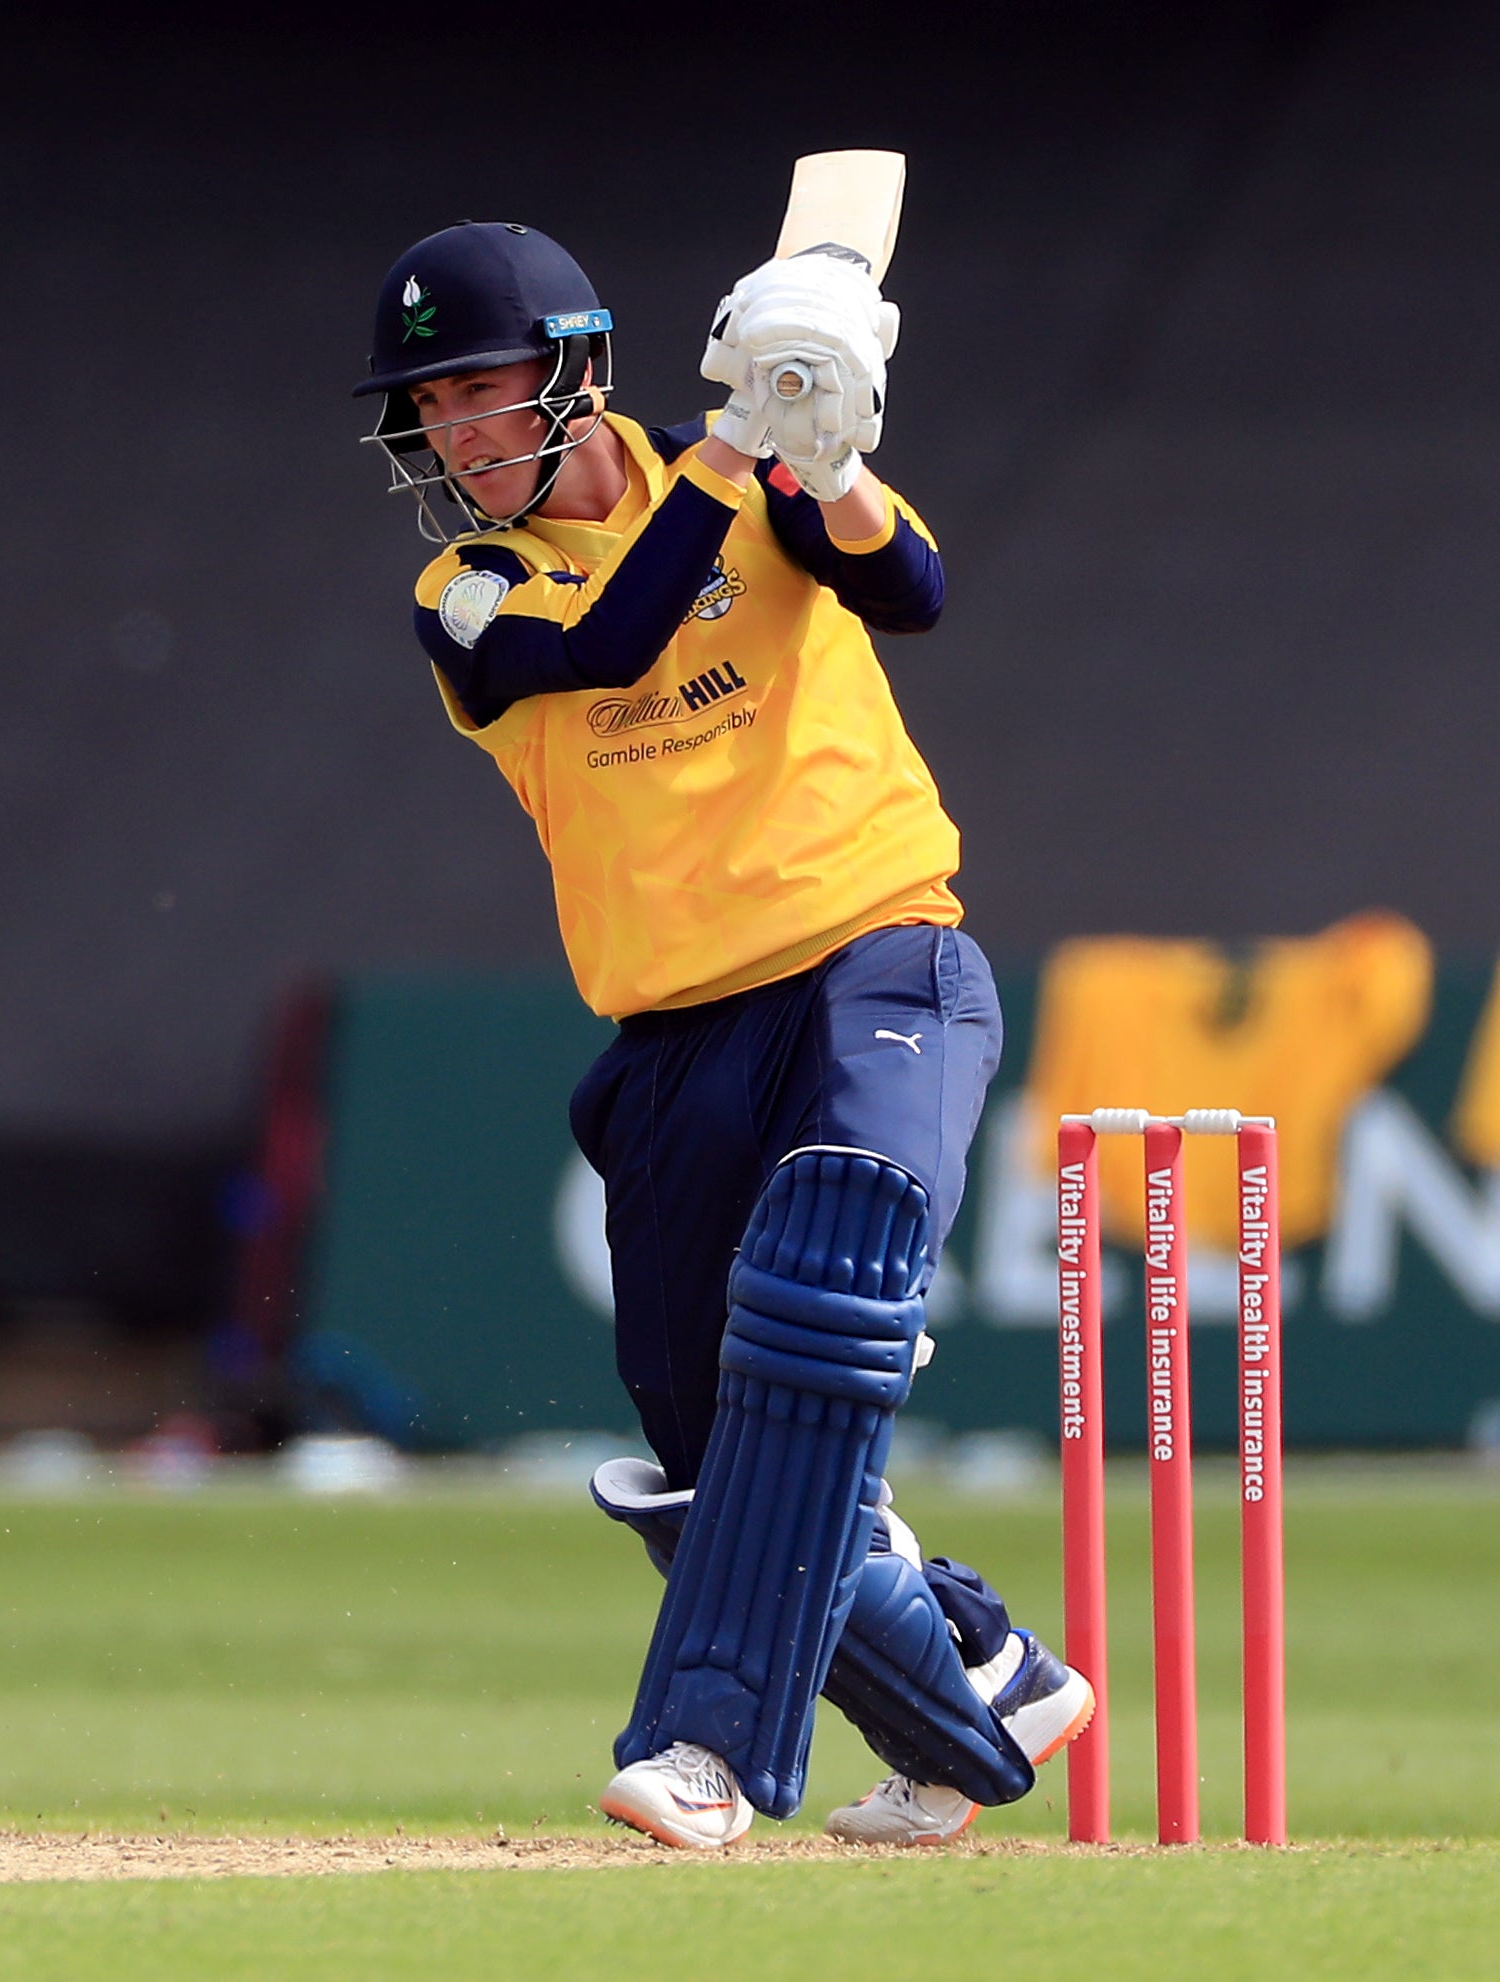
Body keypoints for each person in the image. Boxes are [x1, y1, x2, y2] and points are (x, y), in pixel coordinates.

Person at [353, 219, 1093, 1849]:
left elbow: (911, 585)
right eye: (435, 412)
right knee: (710, 1457)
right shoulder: (465, 590)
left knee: (821, 1285)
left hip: (872, 957)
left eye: (483, 393)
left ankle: (705, 1749)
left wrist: (821, 458)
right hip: (674, 1032)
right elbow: (609, 642)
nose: (461, 438)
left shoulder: (760, 480)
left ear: (573, 370)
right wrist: (746, 441)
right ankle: (985, 1669)